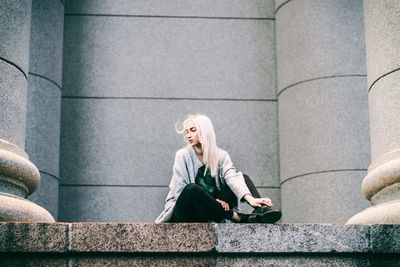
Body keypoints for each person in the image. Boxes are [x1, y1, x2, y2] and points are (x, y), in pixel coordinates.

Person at [155, 114, 281, 223]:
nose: (188, 135)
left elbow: (232, 177)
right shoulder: (182, 155)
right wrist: (215, 201)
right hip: (187, 212)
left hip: (213, 211)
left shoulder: (221, 155)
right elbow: (180, 192)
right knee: (191, 189)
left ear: (204, 131)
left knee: (242, 177)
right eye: (187, 131)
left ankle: (260, 210)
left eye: (193, 130)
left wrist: (250, 198)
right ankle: (238, 217)